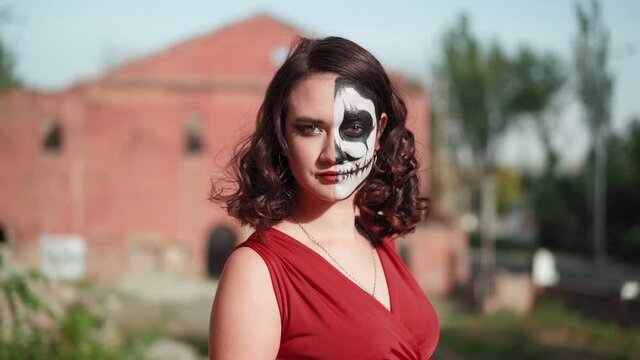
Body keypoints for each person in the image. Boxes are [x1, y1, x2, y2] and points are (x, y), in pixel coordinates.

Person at [208, 36, 439, 359]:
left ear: (379, 133)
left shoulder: (379, 238)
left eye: (354, 128)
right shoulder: (257, 270)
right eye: (310, 129)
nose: (332, 153)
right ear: (283, 137)